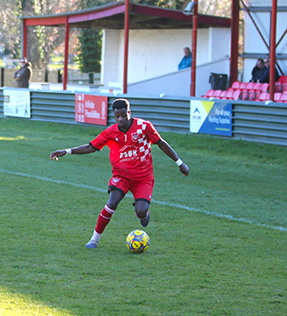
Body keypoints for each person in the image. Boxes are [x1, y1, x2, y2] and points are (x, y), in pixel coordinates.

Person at [49, 98, 189, 249]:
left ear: (129, 112)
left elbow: (161, 143)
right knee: (112, 203)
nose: (120, 119)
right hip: (121, 176)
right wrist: (67, 151)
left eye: (123, 115)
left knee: (141, 211)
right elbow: (91, 147)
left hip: (143, 178)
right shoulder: (110, 132)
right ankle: (94, 240)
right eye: (117, 116)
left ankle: (143, 214)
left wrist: (179, 163)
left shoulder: (144, 126)